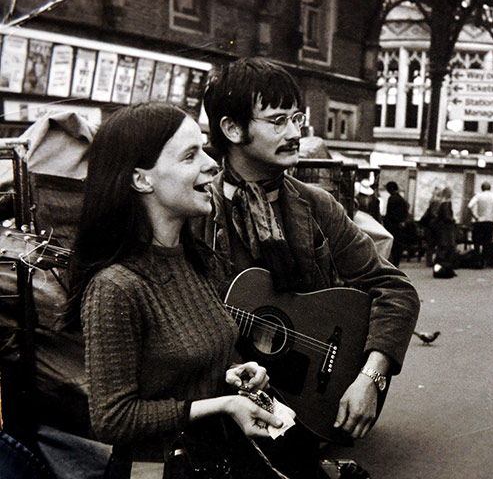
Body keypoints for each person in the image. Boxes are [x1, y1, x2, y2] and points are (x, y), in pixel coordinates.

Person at [201, 57, 419, 478]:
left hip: (303, 407)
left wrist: (370, 378)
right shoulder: (198, 208)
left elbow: (395, 289)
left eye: (297, 117)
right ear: (232, 129)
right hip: (223, 415)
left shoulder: (315, 204)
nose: (295, 132)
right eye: (278, 120)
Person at [65, 103, 287, 478]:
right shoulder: (115, 288)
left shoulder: (197, 261)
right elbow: (112, 419)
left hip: (214, 461)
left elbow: (186, 366)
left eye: (203, 148)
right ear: (141, 180)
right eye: (189, 155)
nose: (212, 163)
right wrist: (221, 406)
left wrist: (232, 373)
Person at [467, 181, 493, 263]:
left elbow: (469, 206)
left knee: (477, 241)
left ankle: (477, 259)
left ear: (482, 188)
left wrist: (475, 216)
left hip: (480, 221)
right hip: (490, 221)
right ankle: (484, 260)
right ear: (490, 188)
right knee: (487, 241)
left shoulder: (478, 196)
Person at [383, 181, 410, 266]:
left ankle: (393, 262)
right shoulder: (401, 199)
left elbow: (389, 214)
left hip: (392, 225)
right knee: (398, 245)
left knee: (393, 245)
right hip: (399, 226)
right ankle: (396, 262)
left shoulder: (392, 198)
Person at [433, 187, 457, 268]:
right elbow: (447, 217)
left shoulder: (440, 202)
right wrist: (453, 220)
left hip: (441, 227)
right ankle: (445, 264)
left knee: (442, 245)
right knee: (447, 245)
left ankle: (439, 262)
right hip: (446, 228)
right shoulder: (446, 203)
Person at [419, 186, 442, 266]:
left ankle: (429, 260)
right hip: (434, 225)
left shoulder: (432, 201)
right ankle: (431, 261)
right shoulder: (437, 202)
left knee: (430, 243)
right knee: (434, 243)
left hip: (429, 225)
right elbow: (434, 214)